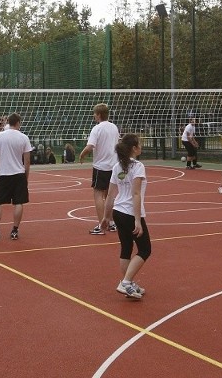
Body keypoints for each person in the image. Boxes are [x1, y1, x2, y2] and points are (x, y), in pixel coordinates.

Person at [100, 133, 151, 299]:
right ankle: (126, 282)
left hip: (118, 212)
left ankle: (127, 283)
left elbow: (110, 195)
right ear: (134, 149)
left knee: (126, 248)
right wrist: (138, 219)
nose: (141, 147)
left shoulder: (117, 167)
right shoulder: (138, 166)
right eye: (139, 144)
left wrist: (106, 217)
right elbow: (136, 194)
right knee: (145, 249)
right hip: (130, 213)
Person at [0, 113, 32, 242]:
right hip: (18, 174)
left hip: (3, 174)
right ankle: (14, 230)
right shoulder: (24, 138)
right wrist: (26, 176)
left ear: (8, 122)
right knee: (18, 202)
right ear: (18, 122)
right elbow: (27, 160)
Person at [79, 103, 120, 235]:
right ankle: (112, 223)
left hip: (101, 167)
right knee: (109, 195)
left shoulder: (97, 129)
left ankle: (101, 225)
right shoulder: (114, 127)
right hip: (114, 166)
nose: (93, 116)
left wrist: (82, 155)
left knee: (98, 194)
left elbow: (90, 146)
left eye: (95, 114)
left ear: (99, 115)